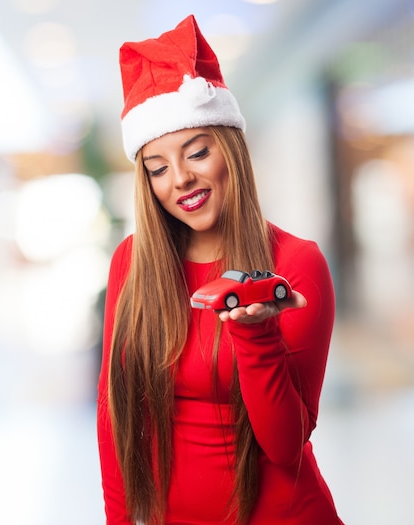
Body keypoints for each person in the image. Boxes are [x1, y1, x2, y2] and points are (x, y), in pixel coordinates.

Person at [96, 14, 344, 525]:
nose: (181, 179)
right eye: (158, 168)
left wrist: (256, 336)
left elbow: (284, 445)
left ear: (229, 148)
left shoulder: (297, 264)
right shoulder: (131, 262)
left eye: (198, 151)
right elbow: (114, 414)